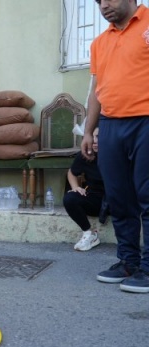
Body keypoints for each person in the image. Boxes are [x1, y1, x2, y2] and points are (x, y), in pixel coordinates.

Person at [81, 0, 149, 293]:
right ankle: (128, 261)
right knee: (119, 198)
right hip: (110, 126)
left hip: (145, 121)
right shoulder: (99, 43)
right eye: (98, 1)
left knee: (147, 194)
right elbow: (97, 91)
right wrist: (88, 131)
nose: (103, 5)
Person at [64, 127, 105, 252]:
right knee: (70, 198)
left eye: (98, 137)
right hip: (95, 198)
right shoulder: (85, 154)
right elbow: (71, 172)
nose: (95, 141)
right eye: (92, 137)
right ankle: (89, 234)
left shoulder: (116, 154)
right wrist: (76, 187)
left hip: (115, 199)